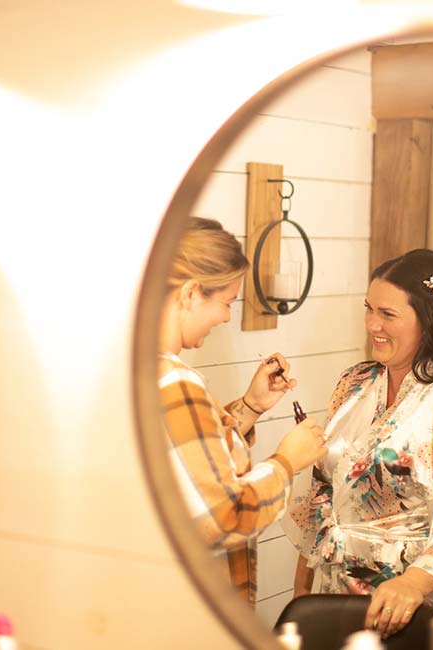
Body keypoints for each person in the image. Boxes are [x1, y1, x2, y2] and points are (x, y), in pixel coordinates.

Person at [286, 248, 433, 640]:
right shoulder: (355, 383)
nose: (373, 324)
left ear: (428, 321)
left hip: (409, 603)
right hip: (336, 589)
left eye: (388, 314)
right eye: (368, 308)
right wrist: (304, 583)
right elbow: (323, 488)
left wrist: (411, 585)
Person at [159, 216, 326, 605]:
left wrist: (249, 407)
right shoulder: (177, 384)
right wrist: (287, 461)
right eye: (226, 303)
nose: (225, 317)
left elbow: (188, 468)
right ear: (189, 294)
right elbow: (226, 518)